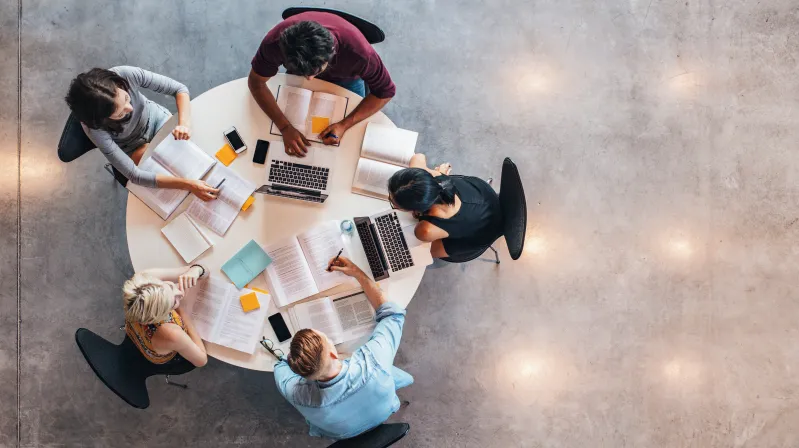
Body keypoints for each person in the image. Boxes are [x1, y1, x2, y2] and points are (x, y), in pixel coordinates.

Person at [273, 256, 412, 440]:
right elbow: (393, 315)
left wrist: (294, 359)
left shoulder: (298, 395)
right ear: (332, 352)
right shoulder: (374, 361)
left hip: (341, 434)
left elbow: (280, 367)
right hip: (384, 410)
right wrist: (357, 272)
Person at [248, 11, 396, 156]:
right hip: (298, 75)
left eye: (315, 71)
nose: (309, 80)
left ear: (332, 53)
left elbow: (385, 92)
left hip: (347, 79)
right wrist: (285, 127)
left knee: (350, 140)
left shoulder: (360, 54)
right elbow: (256, 83)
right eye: (304, 73)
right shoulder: (274, 42)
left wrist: (345, 124)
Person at [65, 66, 219, 201]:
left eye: (127, 98)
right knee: (167, 176)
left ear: (119, 84)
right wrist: (188, 185)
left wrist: (184, 124)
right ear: (102, 120)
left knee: (197, 150)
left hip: (156, 120)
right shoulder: (94, 129)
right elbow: (135, 175)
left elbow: (179, 89)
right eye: (120, 113)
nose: (130, 108)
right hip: (131, 147)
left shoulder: (124, 75)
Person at [388, 154, 504, 259]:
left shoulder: (425, 230)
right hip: (485, 196)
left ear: (415, 209)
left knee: (419, 253)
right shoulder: (437, 178)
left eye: (394, 204)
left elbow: (426, 248)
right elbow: (418, 157)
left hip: (481, 235)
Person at [122, 264, 208, 367]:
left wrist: (196, 270)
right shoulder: (172, 333)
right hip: (160, 356)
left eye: (170, 286)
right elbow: (202, 360)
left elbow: (197, 269)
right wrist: (182, 311)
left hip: (135, 330)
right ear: (161, 316)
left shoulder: (144, 279)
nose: (179, 292)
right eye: (173, 303)